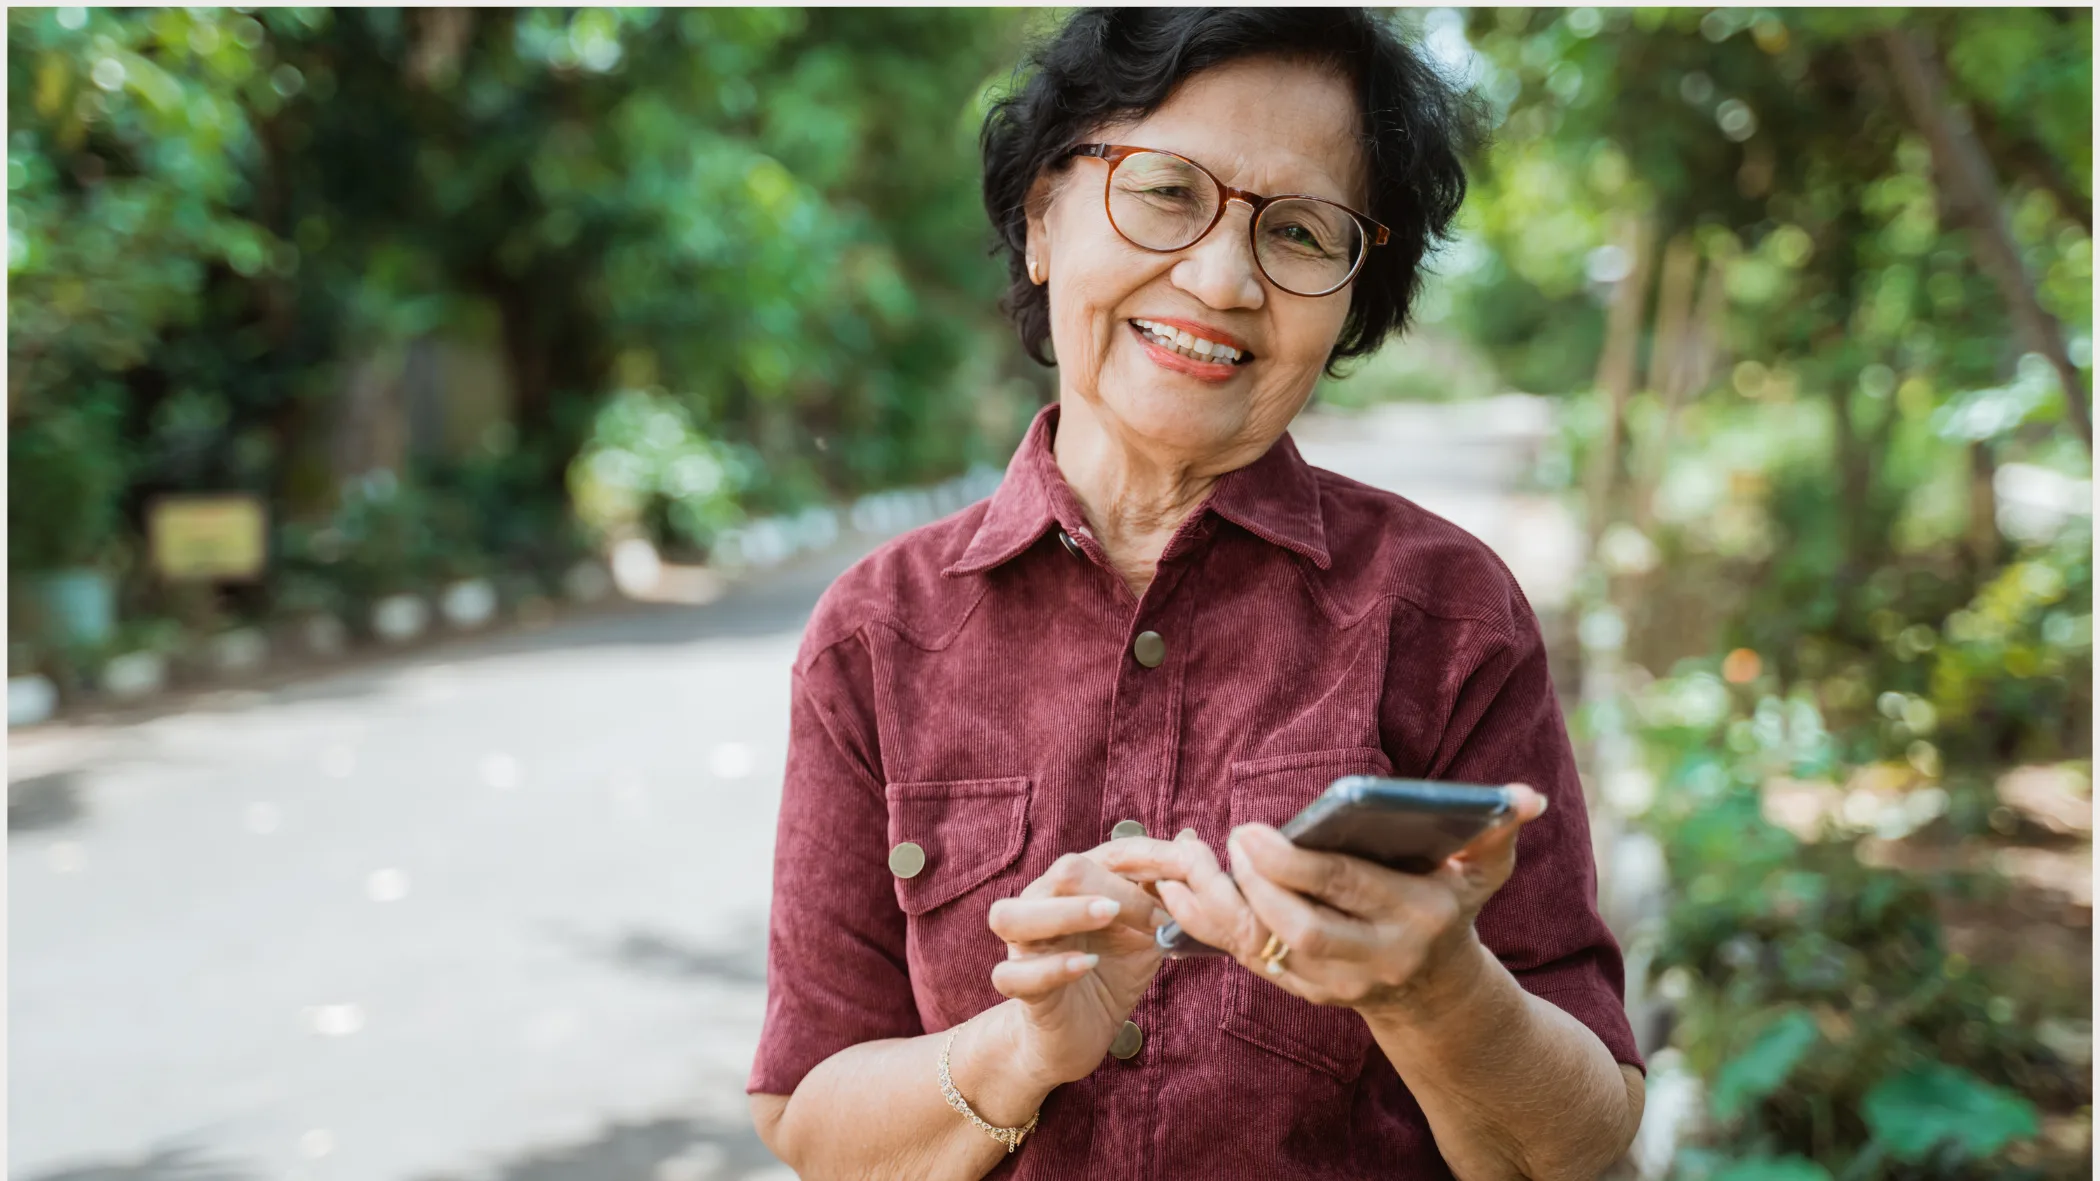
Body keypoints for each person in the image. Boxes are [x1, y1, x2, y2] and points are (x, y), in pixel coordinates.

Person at [748, 9, 1645, 1178]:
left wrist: (1438, 994)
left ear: (1352, 295)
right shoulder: (876, 633)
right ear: (1040, 222)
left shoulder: (1447, 614)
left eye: (1299, 230)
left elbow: (1580, 1139)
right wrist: (1019, 1046)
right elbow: (809, 1115)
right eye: (1166, 192)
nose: (1221, 278)